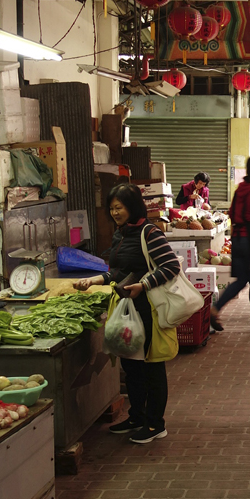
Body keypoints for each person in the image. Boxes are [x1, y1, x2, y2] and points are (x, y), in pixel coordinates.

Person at [76, 183, 180, 443]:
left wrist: (143, 285)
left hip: (149, 309)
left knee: (152, 367)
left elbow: (171, 266)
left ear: (132, 207)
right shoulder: (120, 235)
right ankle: (137, 417)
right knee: (131, 366)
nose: (115, 213)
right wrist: (96, 280)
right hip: (127, 308)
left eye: (119, 208)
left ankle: (156, 424)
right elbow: (118, 272)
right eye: (111, 209)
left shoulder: (150, 233)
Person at [210, 155, 250, 332]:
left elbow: (232, 213)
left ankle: (216, 309)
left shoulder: (240, 190)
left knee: (241, 280)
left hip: (237, 240)